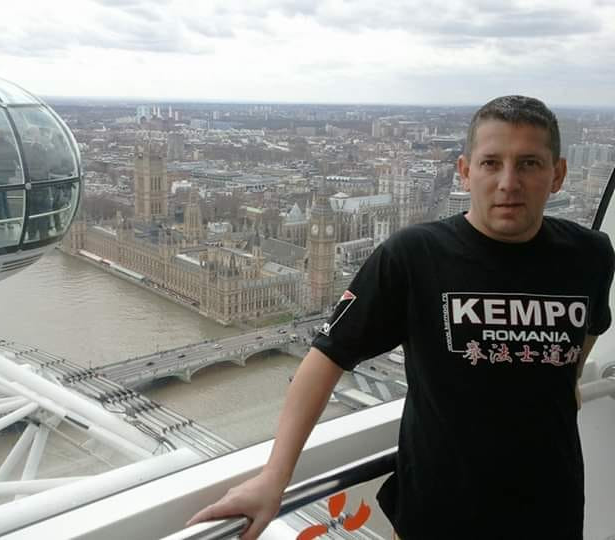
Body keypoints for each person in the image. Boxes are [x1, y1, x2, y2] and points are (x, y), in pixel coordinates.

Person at [187, 96, 615, 540]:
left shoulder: (591, 254)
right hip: (436, 517)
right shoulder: (413, 256)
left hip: (551, 511)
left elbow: (586, 335)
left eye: (529, 164)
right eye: (491, 163)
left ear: (557, 174)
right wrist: (274, 477)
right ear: (465, 171)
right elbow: (325, 359)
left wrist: (563, 380)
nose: (509, 182)